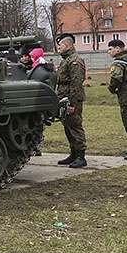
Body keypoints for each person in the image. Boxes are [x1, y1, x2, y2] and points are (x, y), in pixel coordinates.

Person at [55, 33, 87, 168]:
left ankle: (81, 156)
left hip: (72, 99)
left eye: (60, 45)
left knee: (75, 126)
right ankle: (73, 153)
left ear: (67, 46)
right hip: (64, 98)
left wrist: (72, 103)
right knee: (68, 127)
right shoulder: (66, 60)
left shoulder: (75, 61)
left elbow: (76, 83)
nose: (58, 48)